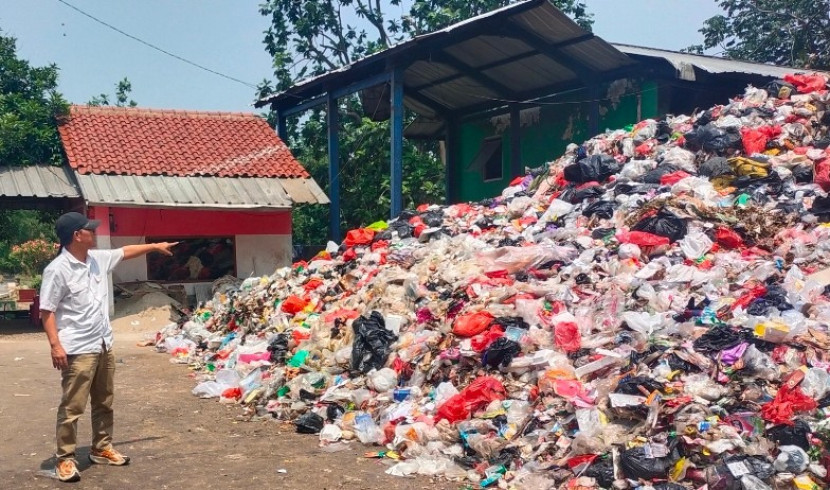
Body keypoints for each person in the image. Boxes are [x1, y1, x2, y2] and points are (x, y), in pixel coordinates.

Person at [39, 212, 177, 482]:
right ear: (77, 236)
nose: (95, 232)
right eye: (90, 229)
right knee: (72, 406)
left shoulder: (96, 260)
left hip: (103, 343)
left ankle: (101, 448)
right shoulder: (57, 270)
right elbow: (47, 311)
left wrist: (155, 246)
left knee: (104, 401)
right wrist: (55, 346)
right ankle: (65, 459)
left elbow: (125, 251)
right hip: (78, 348)